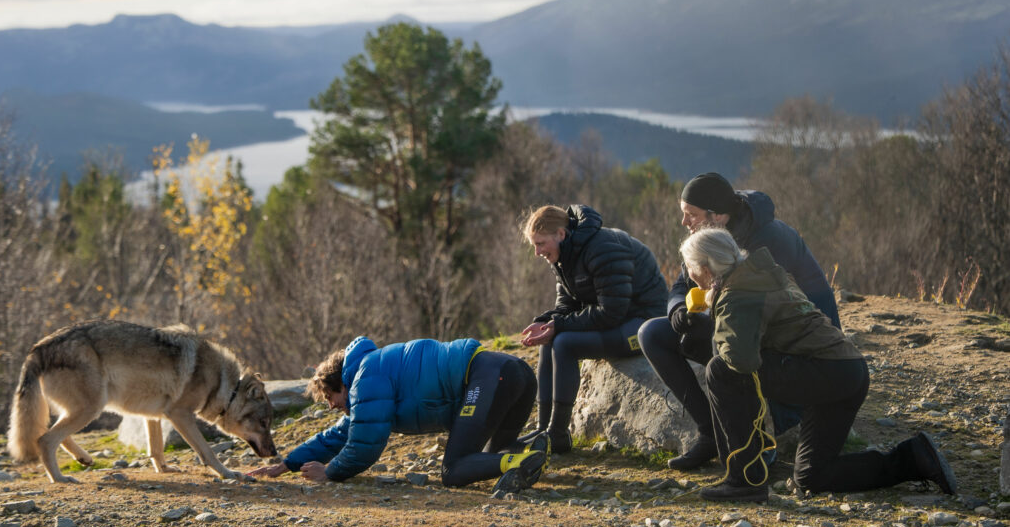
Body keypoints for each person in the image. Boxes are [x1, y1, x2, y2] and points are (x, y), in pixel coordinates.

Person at [678, 226, 956, 502]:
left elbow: (739, 361)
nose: (689, 275)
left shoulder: (737, 293)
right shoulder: (763, 274)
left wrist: (711, 322)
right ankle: (913, 459)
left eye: (690, 267)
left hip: (825, 372)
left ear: (707, 268)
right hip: (848, 371)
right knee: (812, 476)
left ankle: (743, 480)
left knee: (720, 371)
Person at [638, 172, 840, 471]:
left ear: (717, 215)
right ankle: (710, 432)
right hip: (739, 321)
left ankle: (758, 441)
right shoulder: (703, 236)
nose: (685, 223)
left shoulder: (769, 238)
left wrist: (711, 316)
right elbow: (681, 285)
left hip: (794, 343)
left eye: (690, 215)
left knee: (728, 350)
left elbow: (764, 313)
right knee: (653, 334)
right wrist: (679, 308)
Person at [247, 335, 546, 493]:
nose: (331, 405)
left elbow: (367, 441)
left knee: (453, 470)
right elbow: (341, 433)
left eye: (329, 396)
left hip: (488, 378)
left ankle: (519, 460)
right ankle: (531, 451)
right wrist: (287, 464)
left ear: (341, 383)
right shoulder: (370, 371)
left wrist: (330, 472)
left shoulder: (365, 377)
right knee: (493, 455)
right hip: (514, 371)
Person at [521, 204, 668, 453]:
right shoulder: (564, 255)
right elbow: (566, 305)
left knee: (564, 343)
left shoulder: (603, 248)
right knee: (551, 338)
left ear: (561, 234)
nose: (537, 252)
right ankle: (544, 428)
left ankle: (557, 434)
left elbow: (611, 312)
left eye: (540, 244)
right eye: (534, 245)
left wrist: (560, 326)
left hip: (643, 324)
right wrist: (546, 321)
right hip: (619, 318)